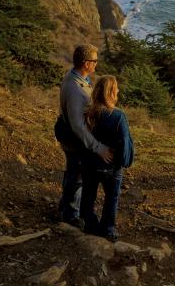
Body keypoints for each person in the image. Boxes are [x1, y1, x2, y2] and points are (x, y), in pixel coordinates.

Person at [55, 44, 113, 225]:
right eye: (94, 61)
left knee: (73, 172)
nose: (96, 64)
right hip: (75, 139)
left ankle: (66, 205)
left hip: (68, 134)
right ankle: (70, 214)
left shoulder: (75, 77)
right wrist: (98, 147)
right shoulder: (76, 90)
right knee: (77, 175)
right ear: (86, 63)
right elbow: (78, 126)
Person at [79, 75, 134, 241]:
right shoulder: (118, 116)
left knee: (88, 194)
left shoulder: (88, 113)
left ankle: (89, 225)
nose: (118, 90)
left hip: (89, 163)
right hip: (111, 166)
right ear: (110, 92)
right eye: (116, 88)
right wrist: (124, 162)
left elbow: (84, 138)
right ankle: (107, 229)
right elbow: (125, 142)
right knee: (112, 197)